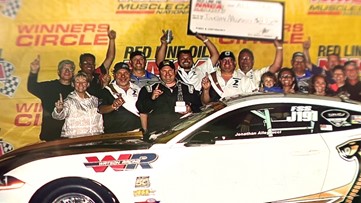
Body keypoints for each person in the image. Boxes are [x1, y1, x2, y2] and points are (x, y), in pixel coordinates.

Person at [136, 60, 202, 139]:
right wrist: (152, 98)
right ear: (159, 72)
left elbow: (200, 108)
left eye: (170, 70)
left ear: (175, 71)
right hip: (156, 134)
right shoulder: (148, 89)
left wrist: (190, 109)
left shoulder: (188, 88)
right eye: (164, 71)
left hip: (182, 133)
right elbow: (142, 109)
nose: (167, 74)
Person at [27, 55, 75, 141]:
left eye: (70, 69)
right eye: (64, 68)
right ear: (59, 72)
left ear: (73, 73)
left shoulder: (78, 89)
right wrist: (34, 71)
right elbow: (32, 87)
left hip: (72, 134)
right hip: (51, 134)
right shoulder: (49, 86)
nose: (67, 71)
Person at [155, 31, 219, 91]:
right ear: (178, 60)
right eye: (182, 58)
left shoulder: (201, 70)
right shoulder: (174, 72)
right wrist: (164, 43)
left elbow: (215, 55)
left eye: (188, 58)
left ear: (192, 59)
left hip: (198, 101)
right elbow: (160, 62)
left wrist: (205, 39)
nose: (186, 60)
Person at [52, 72, 103, 138]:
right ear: (73, 84)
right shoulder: (69, 101)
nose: (81, 84)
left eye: (84, 82)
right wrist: (59, 110)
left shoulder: (95, 100)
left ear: (88, 84)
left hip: (94, 140)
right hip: (76, 141)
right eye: (77, 82)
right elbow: (59, 116)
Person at [98, 62, 141, 133]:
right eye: (119, 73)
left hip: (137, 132)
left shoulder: (138, 89)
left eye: (126, 73)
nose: (123, 76)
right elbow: (100, 109)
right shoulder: (107, 90)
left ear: (130, 74)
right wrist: (113, 106)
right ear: (114, 75)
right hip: (115, 134)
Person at [79, 27, 116, 98]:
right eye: (85, 63)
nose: (89, 65)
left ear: (94, 64)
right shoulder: (76, 79)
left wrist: (112, 39)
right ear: (80, 65)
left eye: (91, 63)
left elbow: (110, 57)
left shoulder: (98, 73)